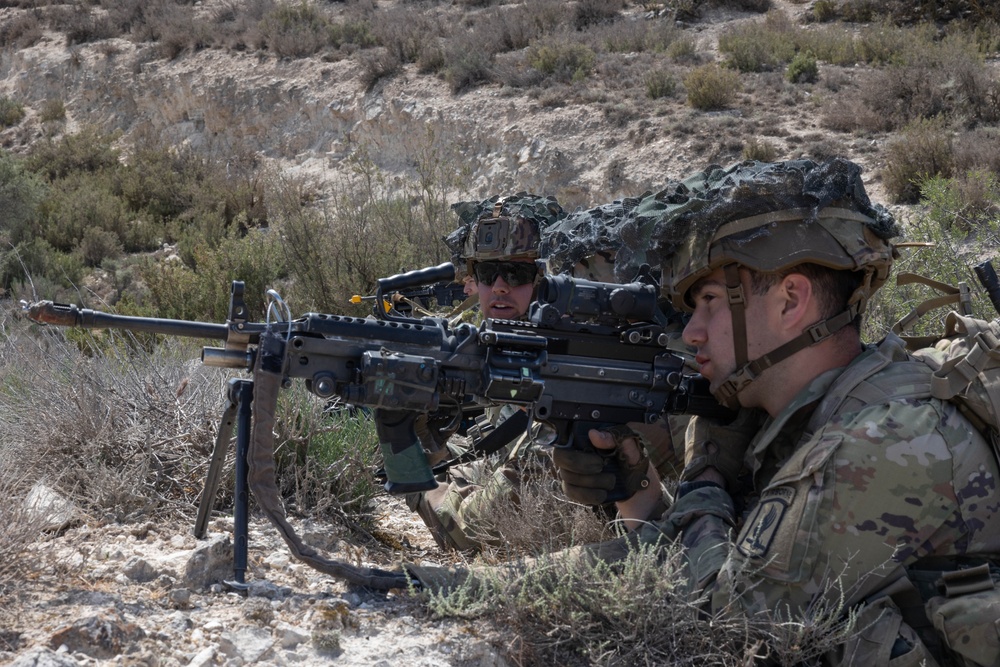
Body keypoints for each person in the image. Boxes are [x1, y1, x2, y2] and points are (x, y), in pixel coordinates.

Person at [566, 158, 1000, 665]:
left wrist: (705, 477)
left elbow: (725, 628)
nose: (691, 332)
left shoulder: (875, 445)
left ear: (791, 300)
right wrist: (640, 493)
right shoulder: (833, 406)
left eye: (710, 300)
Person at [407, 192, 567, 552]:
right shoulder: (510, 341)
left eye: (517, 272)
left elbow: (465, 532)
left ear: (547, 280)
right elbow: (493, 452)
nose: (499, 286)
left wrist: (403, 450)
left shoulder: (568, 375)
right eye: (487, 272)